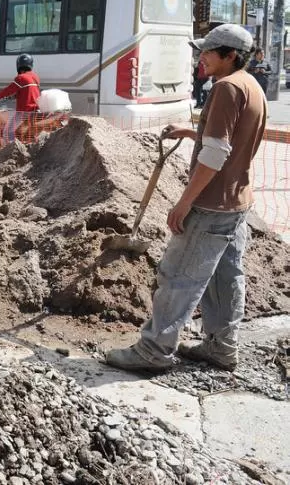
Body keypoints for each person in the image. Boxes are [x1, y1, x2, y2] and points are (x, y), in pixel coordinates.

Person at [106, 24, 267, 373]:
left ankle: (154, 350)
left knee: (178, 276)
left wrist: (184, 202)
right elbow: (232, 137)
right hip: (237, 202)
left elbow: (215, 154)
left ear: (230, 56)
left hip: (210, 204)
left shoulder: (225, 88)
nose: (202, 57)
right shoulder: (251, 86)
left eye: (209, 52)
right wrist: (191, 132)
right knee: (226, 277)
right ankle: (222, 347)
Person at [0, 53, 41, 143]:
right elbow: (28, 91)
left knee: (7, 132)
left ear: (18, 65)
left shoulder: (20, 78)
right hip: (36, 110)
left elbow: (8, 90)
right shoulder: (35, 77)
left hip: (24, 111)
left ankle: (13, 151)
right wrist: (13, 97)